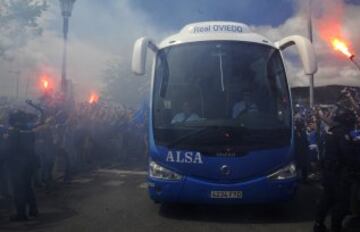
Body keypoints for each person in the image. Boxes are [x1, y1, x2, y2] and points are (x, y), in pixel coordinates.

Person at [313, 106, 358, 232]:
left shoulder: (332, 131)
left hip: (329, 172)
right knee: (342, 204)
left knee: (327, 199)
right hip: (339, 174)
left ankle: (318, 224)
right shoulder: (343, 133)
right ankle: (336, 227)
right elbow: (348, 155)